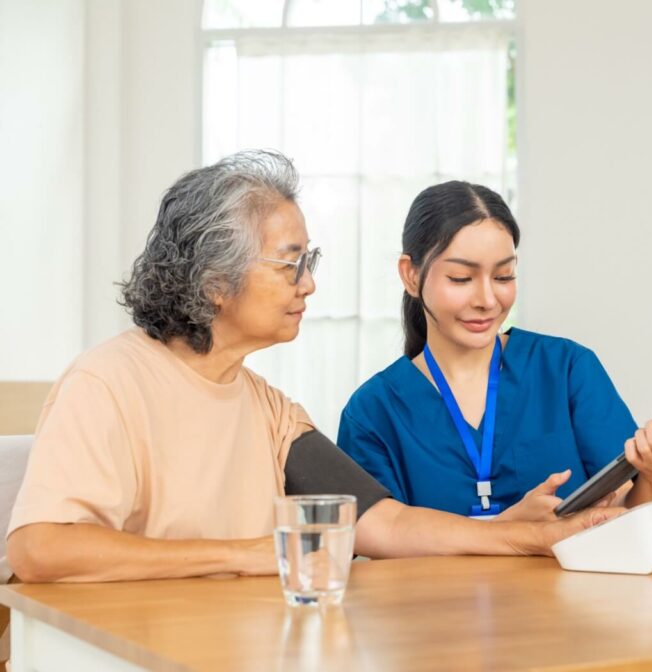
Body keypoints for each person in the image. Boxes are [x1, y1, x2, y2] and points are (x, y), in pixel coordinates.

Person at [3, 151, 617, 584]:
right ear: (215, 281)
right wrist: (252, 554)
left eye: (310, 260)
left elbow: (383, 522)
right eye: (290, 264)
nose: (310, 284)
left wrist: (517, 535)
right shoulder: (108, 382)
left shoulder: (265, 407)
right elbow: (40, 548)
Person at [337, 181, 652, 522]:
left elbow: (625, 519)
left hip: (571, 595)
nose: (487, 300)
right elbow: (378, 552)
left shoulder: (566, 370)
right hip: (440, 599)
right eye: (461, 279)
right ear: (411, 275)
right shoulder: (372, 413)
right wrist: (506, 530)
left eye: (503, 277)